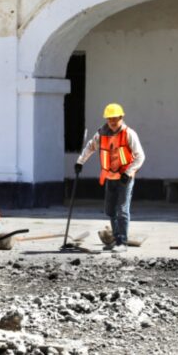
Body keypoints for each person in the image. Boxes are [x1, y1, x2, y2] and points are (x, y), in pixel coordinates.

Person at [75, 103, 145, 253]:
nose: (112, 122)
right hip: (110, 177)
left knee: (122, 209)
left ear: (121, 117)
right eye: (109, 119)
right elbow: (90, 147)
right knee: (110, 210)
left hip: (125, 178)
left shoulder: (129, 134)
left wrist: (128, 173)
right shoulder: (101, 134)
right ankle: (115, 238)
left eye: (115, 118)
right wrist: (80, 162)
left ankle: (122, 242)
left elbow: (140, 156)